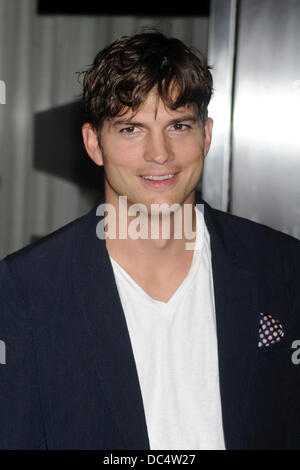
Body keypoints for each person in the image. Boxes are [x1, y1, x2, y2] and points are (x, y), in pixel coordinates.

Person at [0, 30, 299, 451]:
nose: (159, 153)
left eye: (178, 125)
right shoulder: (25, 290)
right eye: (132, 129)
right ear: (93, 143)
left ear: (206, 135)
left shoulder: (282, 268)